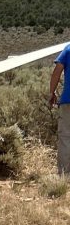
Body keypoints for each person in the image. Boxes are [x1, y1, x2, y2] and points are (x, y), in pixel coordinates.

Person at [49, 43, 70, 175]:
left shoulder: (68, 49)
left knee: (66, 137)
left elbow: (57, 70)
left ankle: (64, 174)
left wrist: (52, 92)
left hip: (68, 100)